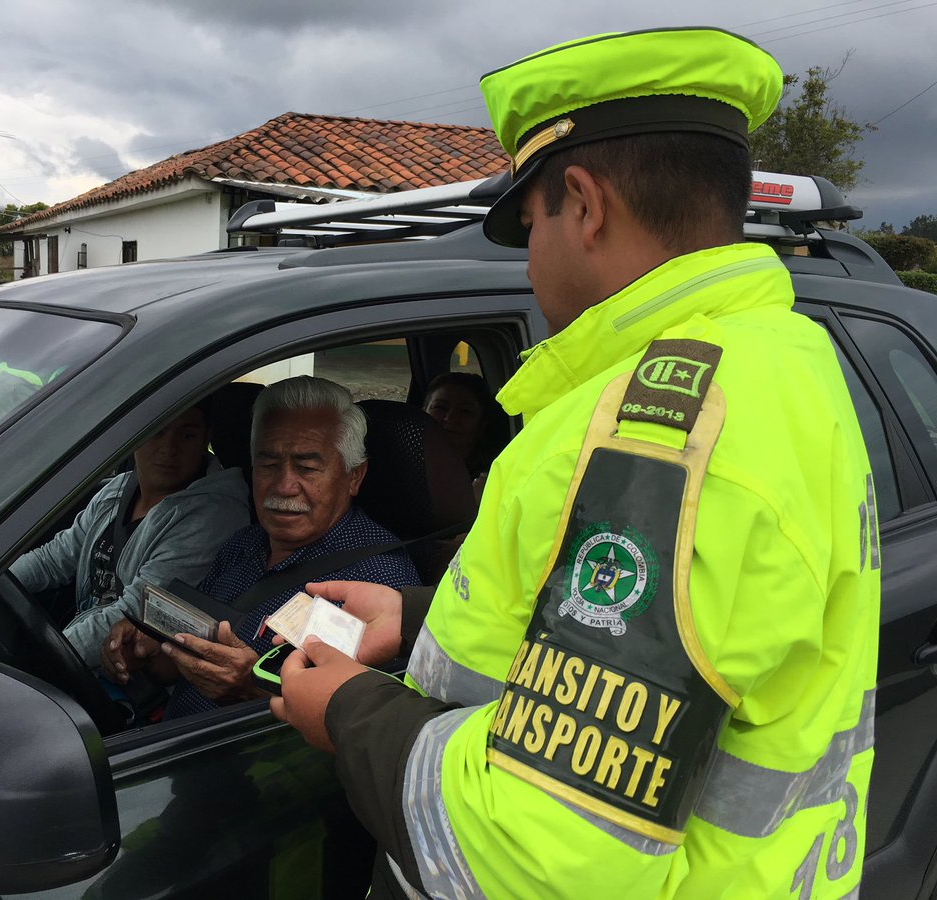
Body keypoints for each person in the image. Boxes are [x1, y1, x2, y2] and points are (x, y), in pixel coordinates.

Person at [271, 27, 880, 899]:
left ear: (585, 204)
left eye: (529, 225)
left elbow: (544, 854)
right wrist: (416, 615)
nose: (529, 260)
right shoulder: (779, 356)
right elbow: (669, 638)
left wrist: (348, 709)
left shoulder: (656, 434)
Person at [101, 375, 421, 719]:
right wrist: (145, 650)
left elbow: (356, 727)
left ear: (353, 476)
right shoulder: (242, 544)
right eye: (268, 464)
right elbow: (188, 660)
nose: (283, 486)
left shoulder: (377, 583)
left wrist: (250, 692)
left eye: (307, 467)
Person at [10, 398, 250, 661]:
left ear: (206, 438)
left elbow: (135, 613)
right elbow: (54, 559)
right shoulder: (118, 489)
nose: (168, 449)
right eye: (157, 430)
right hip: (82, 650)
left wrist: (39, 660)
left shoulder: (212, 517)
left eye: (187, 435)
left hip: (126, 681)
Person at [421, 371, 506, 499]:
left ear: (482, 423)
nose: (450, 418)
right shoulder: (400, 461)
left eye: (465, 411)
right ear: (423, 412)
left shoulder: (493, 477)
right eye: (440, 407)